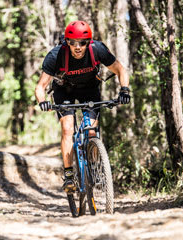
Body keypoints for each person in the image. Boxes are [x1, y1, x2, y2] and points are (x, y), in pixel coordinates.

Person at [35, 20, 130, 193]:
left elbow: (121, 70)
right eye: (73, 42)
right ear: (67, 42)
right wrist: (43, 102)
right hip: (64, 92)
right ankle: (69, 175)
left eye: (82, 43)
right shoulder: (56, 55)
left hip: (89, 91)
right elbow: (40, 86)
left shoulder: (97, 49)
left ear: (89, 43)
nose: (77, 47)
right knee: (67, 128)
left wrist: (124, 90)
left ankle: (94, 167)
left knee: (91, 131)